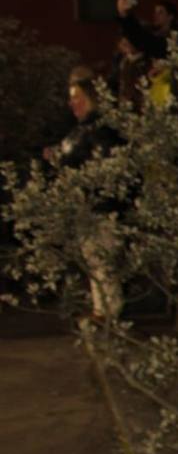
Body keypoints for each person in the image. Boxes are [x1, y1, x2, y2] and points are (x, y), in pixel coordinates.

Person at [44, 78, 125, 320]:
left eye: (77, 97)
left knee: (101, 256)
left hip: (99, 204)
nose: (72, 103)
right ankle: (101, 309)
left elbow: (101, 163)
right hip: (83, 204)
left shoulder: (101, 129)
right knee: (91, 257)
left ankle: (109, 310)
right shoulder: (80, 128)